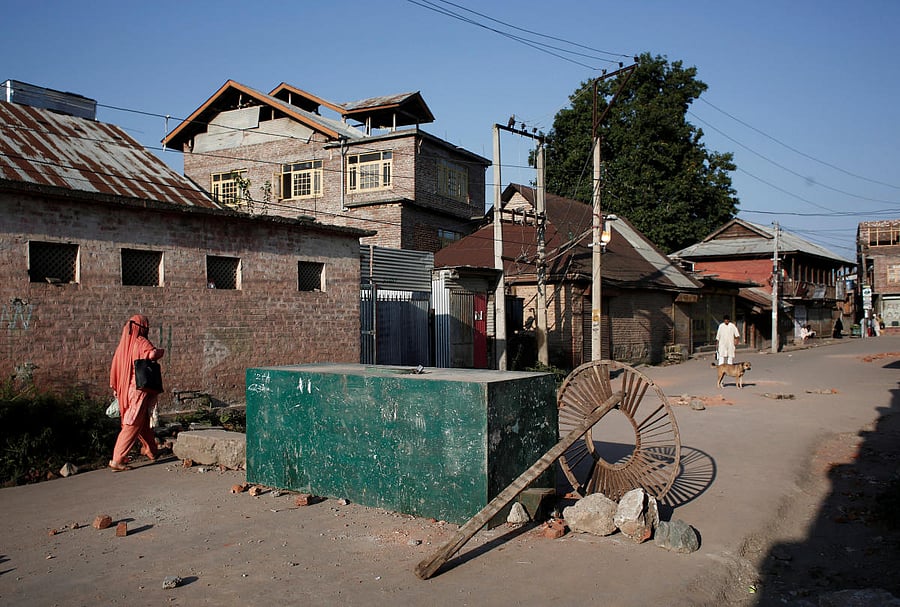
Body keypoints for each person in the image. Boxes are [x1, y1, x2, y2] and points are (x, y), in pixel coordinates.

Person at [109, 315, 165, 471]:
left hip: (124, 389)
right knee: (132, 423)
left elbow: (115, 368)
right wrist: (161, 352)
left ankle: (151, 451)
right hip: (138, 390)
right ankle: (117, 459)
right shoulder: (141, 342)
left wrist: (115, 388)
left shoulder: (123, 345)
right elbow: (152, 354)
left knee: (143, 421)